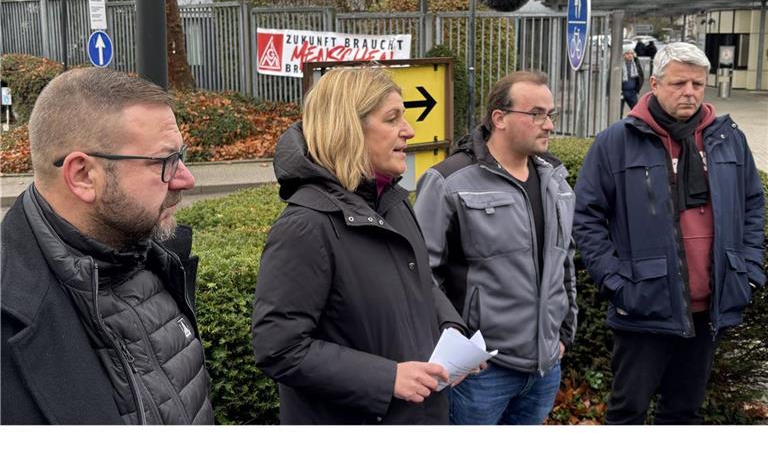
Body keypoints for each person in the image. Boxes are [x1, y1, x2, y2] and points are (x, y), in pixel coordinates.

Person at [251, 66, 467, 425]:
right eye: (392, 118)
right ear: (349, 128)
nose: (409, 131)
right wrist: (387, 378)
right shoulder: (306, 225)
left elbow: (422, 282)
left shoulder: (395, 202)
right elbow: (279, 347)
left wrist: (451, 329)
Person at [1, 68, 214, 424]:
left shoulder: (152, 257)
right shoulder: (12, 312)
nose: (186, 179)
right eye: (164, 162)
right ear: (83, 175)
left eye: (181, 156)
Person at [573, 42, 765, 424]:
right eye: (679, 83)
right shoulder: (617, 141)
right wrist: (615, 283)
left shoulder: (727, 139)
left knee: (683, 413)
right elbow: (586, 217)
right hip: (644, 305)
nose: (689, 92)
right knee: (628, 411)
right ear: (655, 84)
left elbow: (752, 206)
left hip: (707, 308)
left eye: (697, 83)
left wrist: (748, 272)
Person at [414, 71, 578, 425]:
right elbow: (420, 273)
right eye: (536, 114)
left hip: (545, 369)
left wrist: (564, 333)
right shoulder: (449, 181)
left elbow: (563, 261)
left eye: (551, 114)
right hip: (480, 374)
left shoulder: (556, 179)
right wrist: (458, 344)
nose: (548, 124)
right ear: (499, 118)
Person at [621, 45, 645, 115]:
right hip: (621, 92)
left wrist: (637, 88)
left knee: (636, 111)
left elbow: (641, 75)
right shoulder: (620, 64)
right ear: (623, 54)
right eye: (627, 53)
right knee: (618, 111)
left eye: (631, 53)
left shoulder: (635, 63)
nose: (630, 55)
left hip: (632, 92)